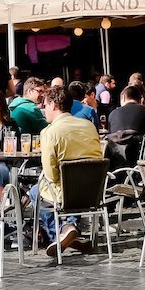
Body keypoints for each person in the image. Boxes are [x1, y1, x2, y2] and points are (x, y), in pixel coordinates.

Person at [38, 86, 104, 257]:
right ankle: (69, 233)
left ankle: (65, 231)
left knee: (35, 192)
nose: (44, 110)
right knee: (60, 190)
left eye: (45, 105)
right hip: (93, 192)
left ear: (53, 105)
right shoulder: (89, 126)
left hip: (66, 194)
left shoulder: (49, 132)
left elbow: (51, 175)